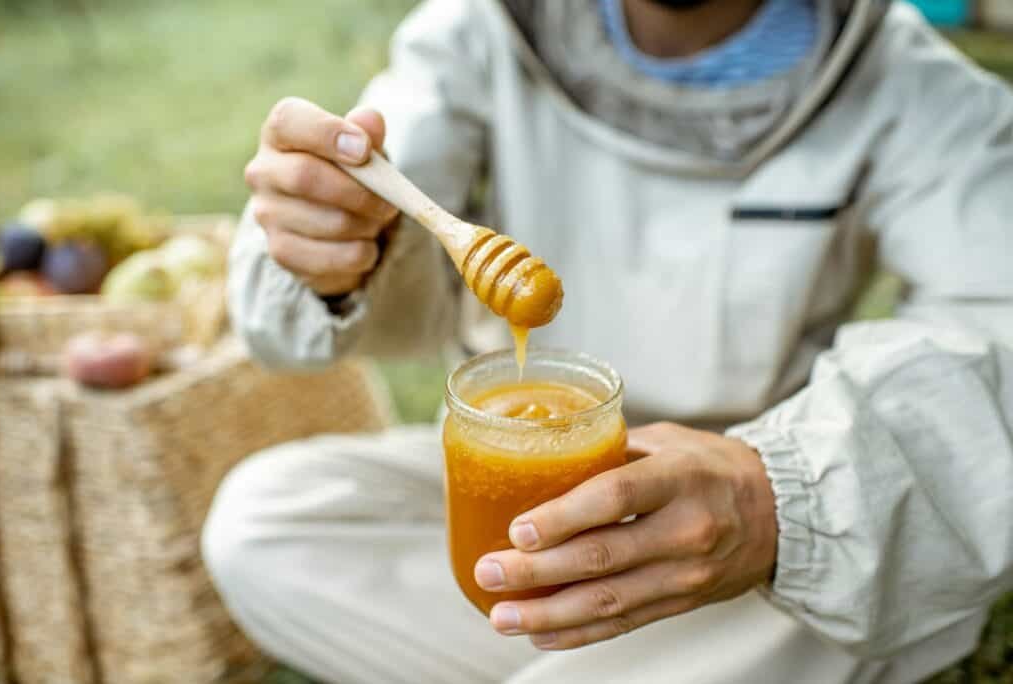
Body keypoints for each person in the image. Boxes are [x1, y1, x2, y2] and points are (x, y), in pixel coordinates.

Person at [201, 0, 1013, 682]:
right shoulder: (477, 31)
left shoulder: (917, 87)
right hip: (519, 491)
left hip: (745, 515)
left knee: (874, 552)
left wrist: (776, 501)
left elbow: (996, 330)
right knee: (264, 522)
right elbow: (365, 212)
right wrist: (334, 244)